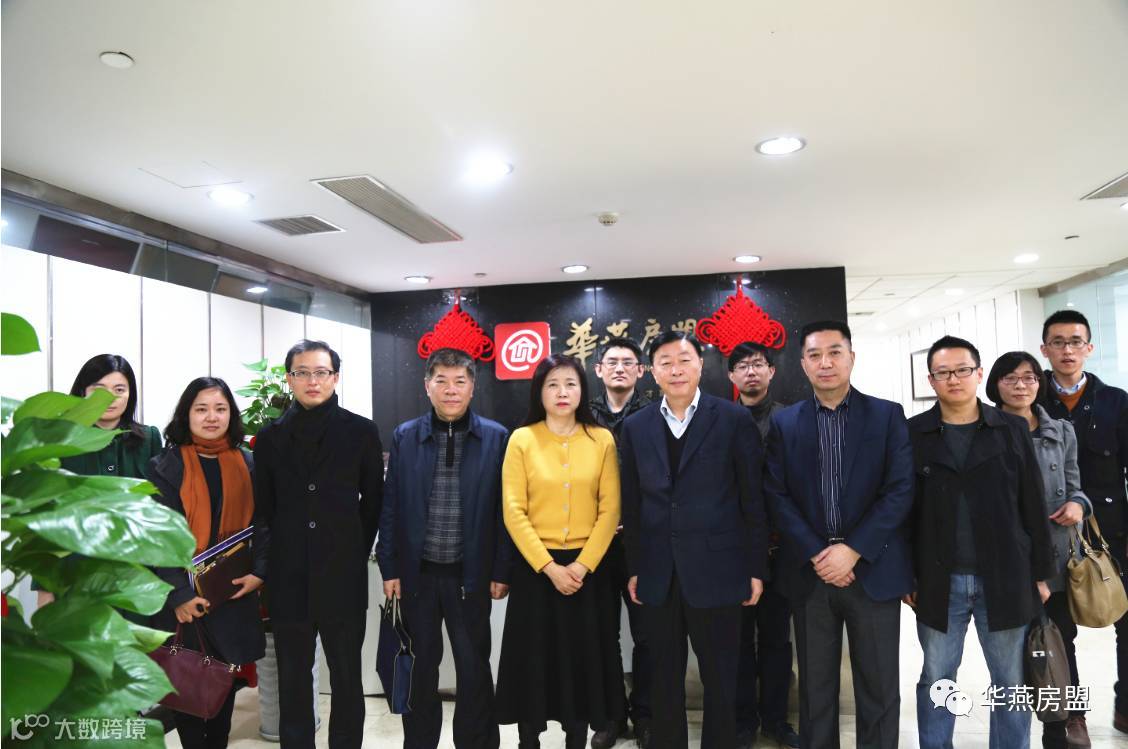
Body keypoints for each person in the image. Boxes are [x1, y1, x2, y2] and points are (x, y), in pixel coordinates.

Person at [764, 320, 913, 749]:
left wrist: (853, 550)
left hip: (872, 570)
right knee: (816, 689)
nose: (825, 362)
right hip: (811, 575)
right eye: (815, 355)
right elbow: (776, 494)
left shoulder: (886, 415)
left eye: (834, 352)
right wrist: (818, 552)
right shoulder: (785, 423)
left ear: (852, 357)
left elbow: (900, 489)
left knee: (879, 686)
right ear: (803, 364)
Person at [619, 331, 767, 749]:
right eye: (665, 362)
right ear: (652, 372)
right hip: (658, 572)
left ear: (701, 364)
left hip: (720, 570)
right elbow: (632, 504)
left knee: (721, 678)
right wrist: (635, 567)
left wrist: (756, 568)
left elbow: (752, 499)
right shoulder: (636, 426)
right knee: (663, 678)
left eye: (684, 360)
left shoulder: (732, 419)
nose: (676, 369)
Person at [906, 335, 1054, 749]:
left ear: (979, 373)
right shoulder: (914, 433)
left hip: (1006, 576)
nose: (954, 379)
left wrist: (1041, 574)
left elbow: (1032, 503)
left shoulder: (1010, 429)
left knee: (1010, 680)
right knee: (937, 678)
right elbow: (904, 511)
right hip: (939, 579)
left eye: (962, 370)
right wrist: (906, 575)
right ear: (931, 380)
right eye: (943, 372)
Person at [376, 348, 512, 749]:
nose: (451, 390)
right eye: (442, 381)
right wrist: (389, 567)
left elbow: (506, 511)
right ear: (427, 386)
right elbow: (390, 505)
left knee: (474, 668)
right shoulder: (405, 436)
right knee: (420, 668)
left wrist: (501, 570)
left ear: (472, 387)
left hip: (471, 576)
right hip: (417, 575)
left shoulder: (496, 438)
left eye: (459, 382)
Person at [252, 339, 383, 749]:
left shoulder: (361, 431)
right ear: (289, 379)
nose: (313, 381)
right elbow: (264, 511)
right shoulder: (269, 438)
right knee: (292, 679)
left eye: (321, 372)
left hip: (342, 577)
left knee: (346, 678)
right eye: (302, 373)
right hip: (288, 578)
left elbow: (373, 503)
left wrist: (352, 552)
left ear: (335, 377)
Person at [495, 354, 625, 749]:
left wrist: (582, 566)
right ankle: (528, 739)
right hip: (536, 570)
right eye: (552, 384)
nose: (562, 392)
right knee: (533, 658)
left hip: (589, 571)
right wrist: (549, 567)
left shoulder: (601, 439)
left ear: (583, 390)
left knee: (582, 660)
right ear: (539, 391)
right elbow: (513, 510)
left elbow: (610, 510)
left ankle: (576, 738)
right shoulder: (522, 439)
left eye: (570, 383)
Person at [148, 377, 267, 749]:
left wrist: (259, 573)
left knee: (223, 688)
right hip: (183, 600)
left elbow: (264, 525)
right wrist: (179, 595)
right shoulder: (164, 466)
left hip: (231, 594)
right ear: (187, 414)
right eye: (201, 409)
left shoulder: (249, 464)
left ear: (231, 414)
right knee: (186, 688)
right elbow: (159, 537)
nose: (211, 417)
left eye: (220, 409)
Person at [987, 350, 1092, 748]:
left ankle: (1065, 723)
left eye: (1029, 377)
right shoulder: (984, 430)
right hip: (1006, 559)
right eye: (1011, 378)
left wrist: (1078, 504)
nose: (1021, 385)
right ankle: (1018, 732)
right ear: (995, 384)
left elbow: (1076, 485)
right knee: (1014, 651)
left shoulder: (1061, 430)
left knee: (1060, 641)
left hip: (1055, 555)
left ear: (1040, 383)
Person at [1039, 309, 1128, 736]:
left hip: (1111, 535)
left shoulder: (1116, 402)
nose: (1067, 350)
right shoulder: (1031, 399)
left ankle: (1126, 705)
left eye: (1075, 341)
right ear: (1045, 349)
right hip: (1052, 536)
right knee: (1059, 631)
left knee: (1126, 620)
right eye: (1058, 342)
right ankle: (1073, 714)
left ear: (1089, 348)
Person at [37, 354, 163, 609]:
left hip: (136, 576)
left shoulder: (149, 439)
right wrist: (44, 589)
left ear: (130, 394)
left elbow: (160, 511)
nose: (109, 398)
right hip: (76, 576)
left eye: (119, 390)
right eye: (99, 390)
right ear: (83, 392)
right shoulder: (60, 441)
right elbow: (47, 519)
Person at [727, 341, 798, 748]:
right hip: (734, 552)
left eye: (758, 364)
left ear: (771, 371)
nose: (750, 371)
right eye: (742, 366)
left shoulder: (791, 419)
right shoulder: (720, 420)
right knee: (737, 642)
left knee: (776, 640)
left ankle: (775, 720)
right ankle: (742, 722)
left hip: (781, 550)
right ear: (731, 376)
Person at [589, 337, 652, 748]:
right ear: (598, 370)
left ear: (641, 371)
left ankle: (646, 715)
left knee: (647, 634)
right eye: (611, 362)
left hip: (642, 543)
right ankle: (611, 715)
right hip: (594, 545)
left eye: (628, 362)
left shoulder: (655, 413)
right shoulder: (582, 415)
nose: (619, 368)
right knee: (602, 634)